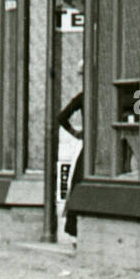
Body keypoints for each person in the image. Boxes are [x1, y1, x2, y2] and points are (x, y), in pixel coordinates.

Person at [59, 88, 83, 239]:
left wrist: (76, 133)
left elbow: (62, 117)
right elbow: (61, 117)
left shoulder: (83, 96)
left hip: (89, 148)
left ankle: (75, 231)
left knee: (78, 183)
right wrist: (76, 133)